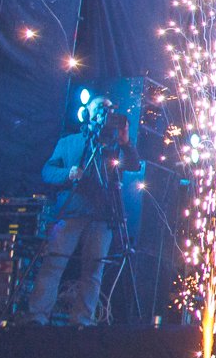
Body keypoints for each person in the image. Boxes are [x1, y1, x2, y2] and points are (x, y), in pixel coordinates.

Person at [24, 108, 141, 327]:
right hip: (71, 212)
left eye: (111, 112)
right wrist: (67, 173)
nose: (107, 116)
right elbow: (47, 172)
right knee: (54, 263)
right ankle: (36, 317)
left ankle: (82, 320)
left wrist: (125, 142)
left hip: (102, 216)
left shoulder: (114, 147)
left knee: (94, 270)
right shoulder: (69, 142)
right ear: (89, 115)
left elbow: (134, 165)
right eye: (102, 111)